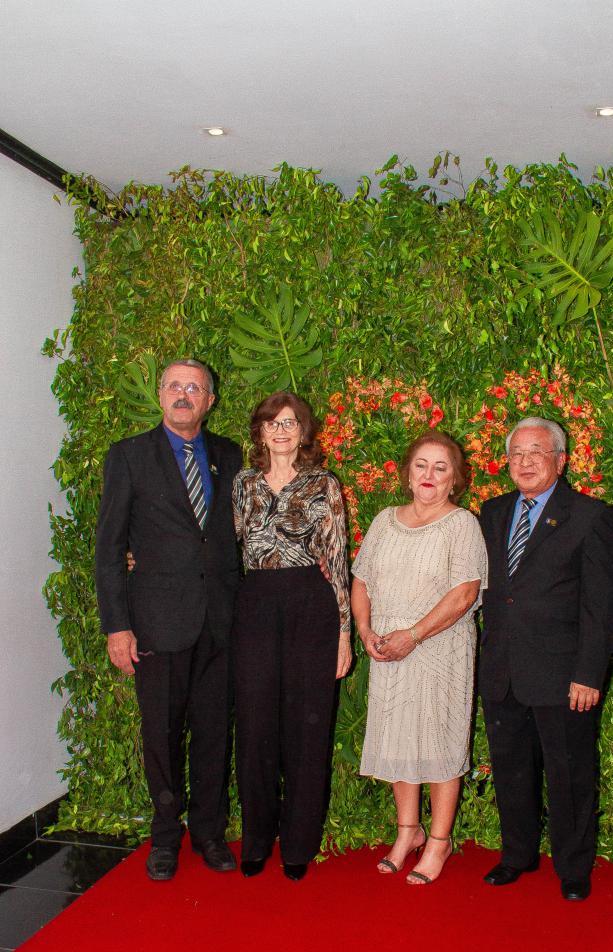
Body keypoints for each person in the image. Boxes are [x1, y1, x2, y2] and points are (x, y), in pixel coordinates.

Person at [95, 358, 243, 881]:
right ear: (160, 394)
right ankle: (164, 837)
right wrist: (117, 626)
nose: (184, 395)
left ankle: (209, 833)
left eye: (194, 388)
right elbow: (109, 548)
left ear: (210, 401)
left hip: (220, 622)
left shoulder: (229, 455)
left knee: (213, 733)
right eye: (175, 386)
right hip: (156, 622)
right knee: (160, 735)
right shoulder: (129, 456)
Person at [479, 416, 613, 900]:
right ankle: (517, 855)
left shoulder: (591, 517)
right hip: (502, 668)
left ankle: (574, 866)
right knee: (511, 769)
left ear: (560, 461)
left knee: (570, 773)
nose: (524, 462)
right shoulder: (493, 512)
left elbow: (601, 607)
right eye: (516, 453)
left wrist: (589, 674)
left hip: (563, 675)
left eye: (536, 452)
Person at [351, 433, 488, 885]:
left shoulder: (462, 525)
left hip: (439, 650)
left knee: (440, 742)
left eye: (440, 467)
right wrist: (366, 631)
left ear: (455, 480)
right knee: (399, 740)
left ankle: (439, 841)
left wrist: (413, 635)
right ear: (408, 474)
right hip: (389, 651)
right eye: (421, 465)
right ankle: (408, 831)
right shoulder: (384, 521)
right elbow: (361, 581)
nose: (429, 475)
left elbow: (465, 593)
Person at [232, 392, 352, 881]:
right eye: (272, 423)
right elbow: (226, 549)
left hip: (311, 604)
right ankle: (257, 839)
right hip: (255, 605)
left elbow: (338, 559)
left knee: (308, 728)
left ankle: (299, 844)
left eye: (290, 423)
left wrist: (344, 633)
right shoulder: (243, 483)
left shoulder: (324, 483)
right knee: (255, 725)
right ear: (260, 432)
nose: (280, 431)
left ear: (304, 432)